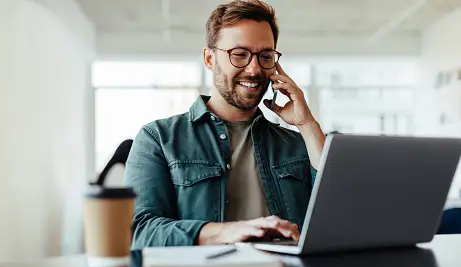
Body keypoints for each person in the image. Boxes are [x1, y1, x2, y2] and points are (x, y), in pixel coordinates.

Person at [125, 0, 326, 249]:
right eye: (239, 54)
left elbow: (339, 216)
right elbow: (138, 231)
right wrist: (230, 231)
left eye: (265, 56)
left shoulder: (297, 144)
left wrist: (306, 123)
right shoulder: (158, 138)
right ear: (210, 59)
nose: (254, 69)